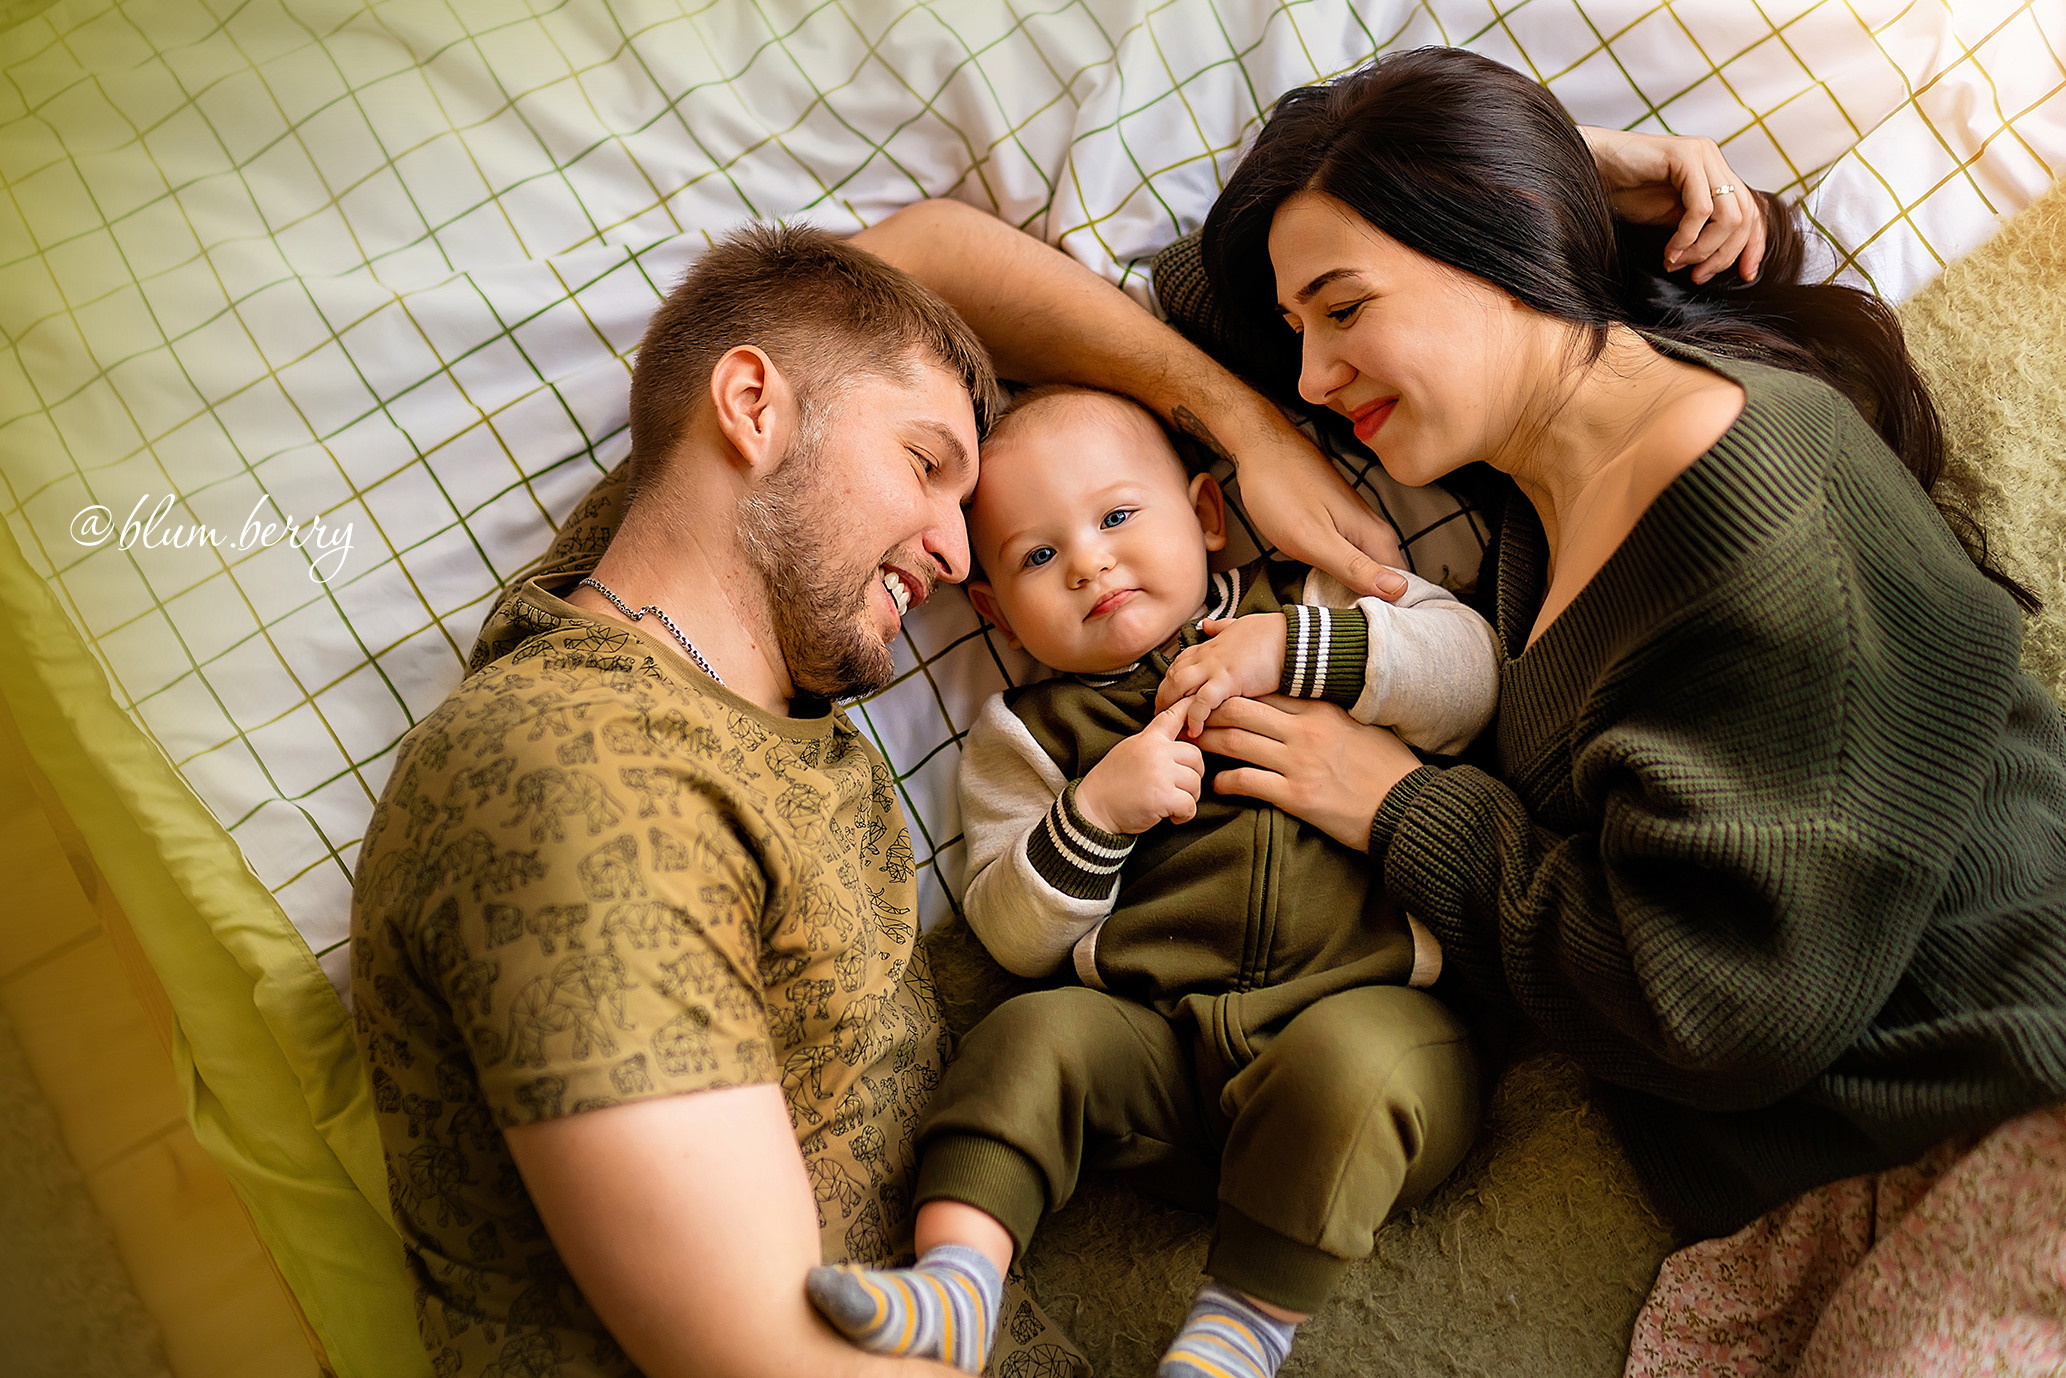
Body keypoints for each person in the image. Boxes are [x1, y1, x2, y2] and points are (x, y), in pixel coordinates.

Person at [867, 44, 2066, 1376]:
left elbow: (1714, 1009)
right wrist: (1240, 419)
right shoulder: (1501, 488)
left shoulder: (1759, 516)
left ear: (1495, 246)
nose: (1312, 375)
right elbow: (910, 262)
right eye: (1297, 329)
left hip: (2003, 1096)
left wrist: (1392, 803)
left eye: (1343, 311)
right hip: (1854, 1158)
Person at [348, 223, 1088, 1378]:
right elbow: (771, 1363)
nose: (959, 551)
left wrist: (1232, 422)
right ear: (750, 406)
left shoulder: (691, 643)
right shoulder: (576, 768)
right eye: (926, 464)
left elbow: (906, 259)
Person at [803, 384, 1495, 1378]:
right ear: (996, 613)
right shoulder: (1026, 735)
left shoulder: (1305, 605)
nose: (1088, 560)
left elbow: (1470, 677)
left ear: (1207, 517)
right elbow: (1010, 933)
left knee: (1357, 1070)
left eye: (1118, 515)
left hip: (1372, 1009)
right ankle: (957, 1275)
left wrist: (1297, 652)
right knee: (1028, 1034)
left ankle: (1239, 1329)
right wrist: (1093, 813)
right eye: (1038, 557)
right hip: (1163, 1063)